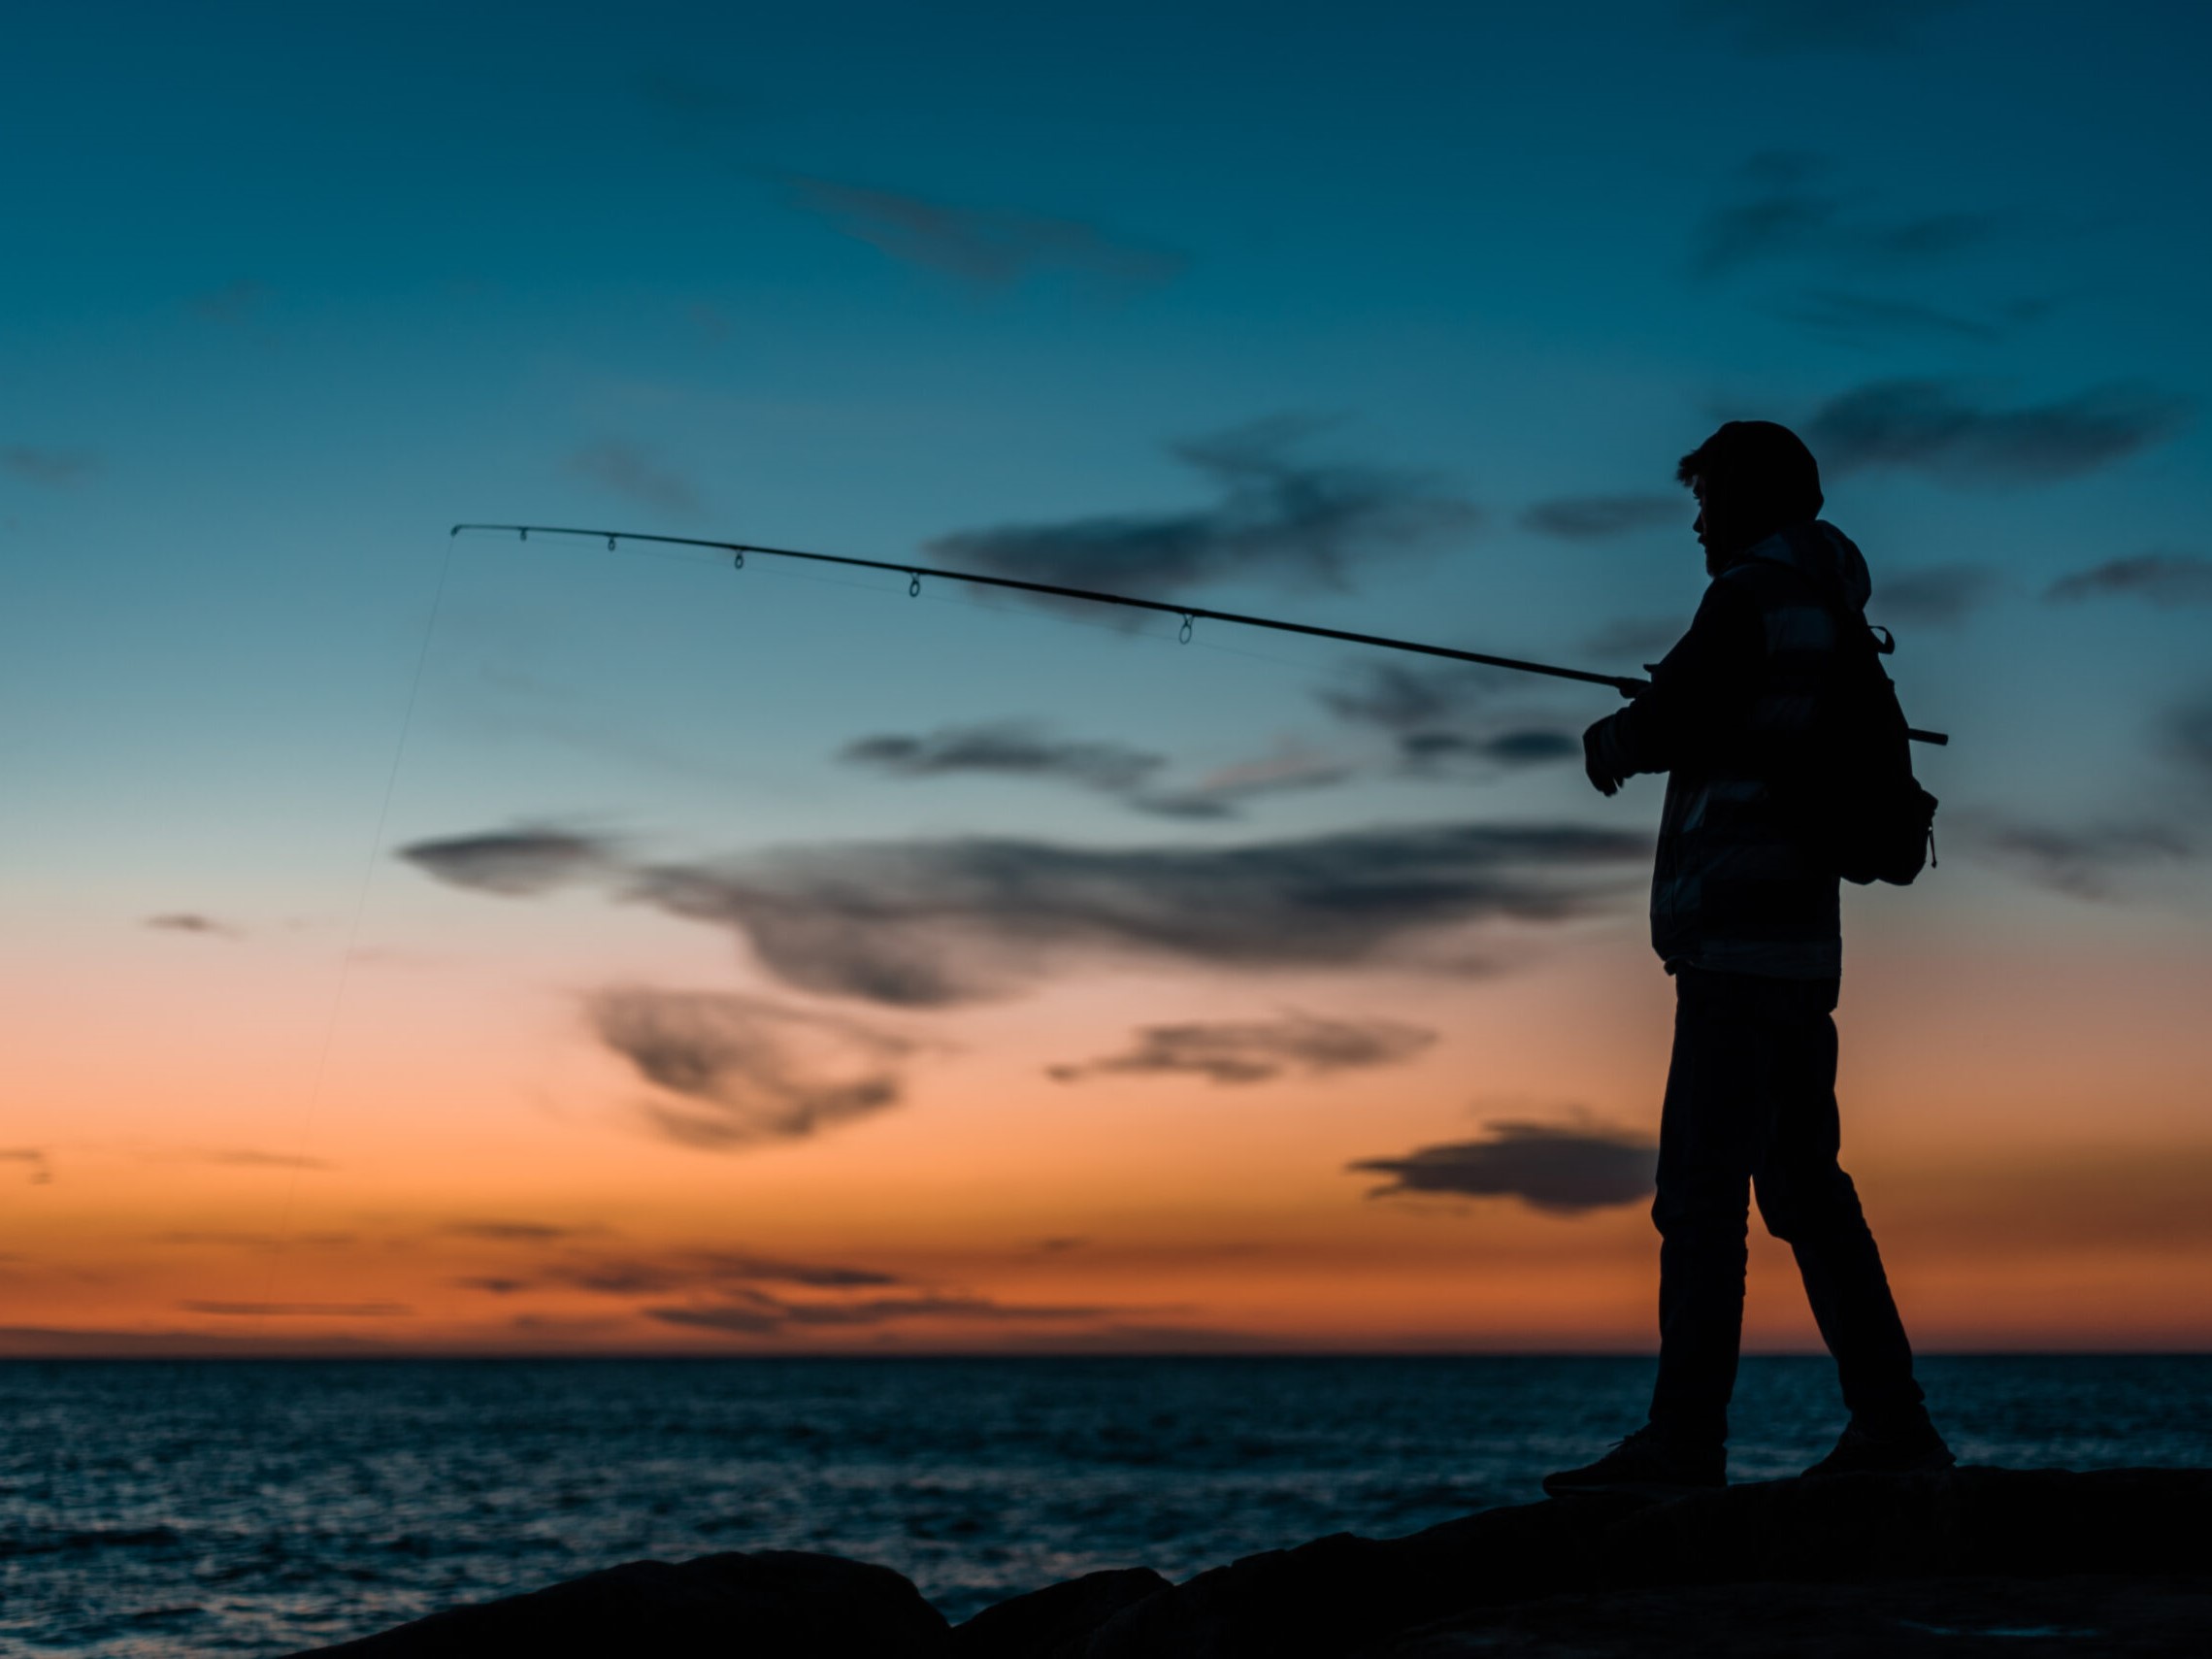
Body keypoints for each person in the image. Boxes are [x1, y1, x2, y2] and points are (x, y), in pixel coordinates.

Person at [1544, 420, 1953, 1497]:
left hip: (1732, 939)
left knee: (1699, 1197)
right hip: (1802, 946)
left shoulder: (1749, 595)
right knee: (1807, 1191)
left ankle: (1682, 1448)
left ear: (1746, 498)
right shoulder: (1833, 611)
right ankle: (1893, 1425)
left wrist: (1611, 739)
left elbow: (1673, 718)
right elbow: (1735, 712)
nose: (1694, 522)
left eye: (1705, 498)